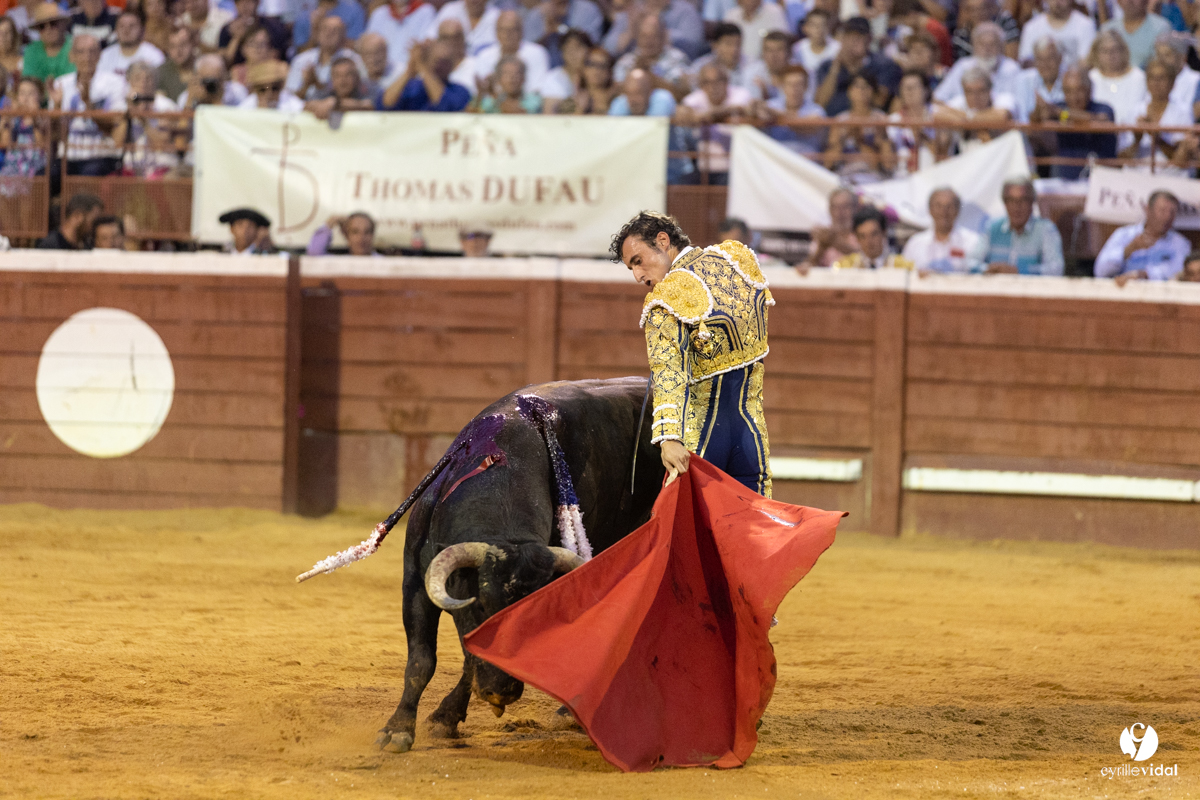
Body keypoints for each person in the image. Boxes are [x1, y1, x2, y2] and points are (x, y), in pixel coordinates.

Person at [612, 210, 774, 496]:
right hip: (752, 436)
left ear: (662, 241)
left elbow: (668, 371)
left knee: (693, 533)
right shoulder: (737, 260)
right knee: (754, 529)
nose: (638, 275)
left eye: (638, 261)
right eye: (631, 268)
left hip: (702, 441)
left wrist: (669, 438)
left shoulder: (666, 298)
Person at [49, 34, 125, 176]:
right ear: (72, 56)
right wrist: (57, 107)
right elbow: (55, 133)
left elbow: (115, 125)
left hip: (101, 154)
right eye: (81, 52)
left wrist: (89, 106)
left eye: (92, 51)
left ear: (99, 55)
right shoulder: (61, 84)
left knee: (88, 175)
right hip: (68, 155)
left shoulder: (115, 82)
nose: (87, 57)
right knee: (45, 177)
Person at [1028, 64, 1115, 180]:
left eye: (1079, 90)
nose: (1074, 97)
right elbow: (1036, 123)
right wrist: (1038, 111)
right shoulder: (1058, 107)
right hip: (1063, 182)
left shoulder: (1103, 108)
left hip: (1099, 181)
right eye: (1068, 91)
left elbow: (1101, 120)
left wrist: (1061, 113)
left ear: (1090, 90)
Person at [674, 62, 753, 184]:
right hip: (702, 167)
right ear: (701, 85)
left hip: (735, 167)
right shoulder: (694, 99)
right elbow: (682, 113)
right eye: (707, 83)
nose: (713, 87)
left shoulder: (741, 94)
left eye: (718, 81)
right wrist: (724, 112)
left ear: (727, 82)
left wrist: (707, 115)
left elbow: (742, 107)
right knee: (680, 186)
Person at [969, 177, 1064, 275]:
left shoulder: (1045, 229)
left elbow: (1056, 269)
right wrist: (988, 269)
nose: (1017, 206)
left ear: (1032, 202)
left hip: (1030, 289)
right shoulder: (992, 227)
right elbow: (970, 263)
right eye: (1011, 200)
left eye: (1023, 200)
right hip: (994, 288)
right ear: (1005, 203)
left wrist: (1019, 272)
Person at [1095, 189, 1189, 282]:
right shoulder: (1124, 235)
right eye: (1162, 211)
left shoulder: (1180, 244)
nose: (1167, 217)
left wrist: (1144, 275)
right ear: (1147, 209)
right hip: (1122, 292)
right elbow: (1100, 271)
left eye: (1172, 212)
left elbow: (1178, 273)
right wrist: (1127, 251)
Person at [814, 16, 902, 116]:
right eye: (851, 36)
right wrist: (835, 68)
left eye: (860, 37)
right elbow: (820, 103)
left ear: (869, 39)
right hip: (833, 123)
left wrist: (853, 67)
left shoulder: (883, 64)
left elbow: (879, 101)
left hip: (868, 123)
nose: (855, 41)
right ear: (843, 38)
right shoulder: (827, 66)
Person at [1117, 56, 1191, 174]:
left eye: (1162, 78)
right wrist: (1137, 140)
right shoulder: (1134, 111)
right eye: (1152, 78)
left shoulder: (1183, 112)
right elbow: (1121, 159)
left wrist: (1156, 136)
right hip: (1137, 175)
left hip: (1171, 175)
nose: (1156, 83)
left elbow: (1181, 160)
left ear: (1172, 83)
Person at [823, 71, 894, 182]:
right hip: (845, 174)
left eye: (866, 86)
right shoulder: (841, 120)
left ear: (873, 91)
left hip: (873, 175)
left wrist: (859, 141)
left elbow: (887, 164)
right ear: (849, 91)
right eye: (856, 86)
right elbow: (829, 163)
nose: (861, 90)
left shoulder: (880, 119)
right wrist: (844, 138)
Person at [934, 22, 1021, 103]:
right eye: (982, 44)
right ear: (974, 47)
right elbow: (938, 99)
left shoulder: (1012, 69)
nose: (987, 50)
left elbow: (1018, 105)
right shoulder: (963, 66)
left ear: (1001, 48)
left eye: (992, 44)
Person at [901, 187, 980, 273]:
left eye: (949, 206)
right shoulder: (915, 244)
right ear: (930, 210)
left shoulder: (972, 241)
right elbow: (904, 275)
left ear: (957, 210)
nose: (943, 211)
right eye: (938, 206)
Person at [378, 39, 471, 111]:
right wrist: (409, 71)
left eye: (444, 62)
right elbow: (386, 103)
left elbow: (444, 106)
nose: (439, 66)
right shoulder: (412, 87)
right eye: (436, 61)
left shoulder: (460, 91)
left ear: (452, 65)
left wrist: (423, 68)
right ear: (428, 60)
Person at [287, 16, 365, 101]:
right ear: (317, 34)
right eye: (325, 29)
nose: (328, 33)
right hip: (304, 109)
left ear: (344, 36)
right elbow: (290, 96)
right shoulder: (301, 60)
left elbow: (360, 92)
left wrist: (317, 84)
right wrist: (306, 85)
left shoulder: (353, 60)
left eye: (335, 30)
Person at [612, 14, 690, 97]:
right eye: (644, 36)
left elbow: (682, 96)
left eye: (654, 36)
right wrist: (635, 71)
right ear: (637, 38)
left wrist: (650, 77)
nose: (648, 41)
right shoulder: (625, 61)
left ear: (663, 37)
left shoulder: (677, 58)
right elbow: (617, 96)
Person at [474, 10, 549, 93]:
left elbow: (536, 89)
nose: (507, 35)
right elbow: (484, 90)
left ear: (521, 31)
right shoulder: (484, 56)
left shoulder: (537, 53)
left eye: (512, 30)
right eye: (503, 30)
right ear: (496, 33)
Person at [759, 64, 827, 156]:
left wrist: (776, 114)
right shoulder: (771, 105)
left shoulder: (817, 110)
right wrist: (753, 108)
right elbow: (758, 112)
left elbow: (807, 127)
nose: (794, 89)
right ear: (782, 86)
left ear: (806, 86)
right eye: (789, 84)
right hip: (775, 160)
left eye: (798, 84)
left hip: (805, 162)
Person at [1087, 28, 1146, 124]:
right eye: (1105, 51)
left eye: (1114, 50)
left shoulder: (1138, 77)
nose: (1110, 55)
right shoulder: (1091, 78)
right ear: (1096, 53)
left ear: (1123, 51)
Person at [1018, 0, 1096, 65]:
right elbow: (1025, 61)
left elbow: (1086, 63)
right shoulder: (1031, 27)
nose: (1057, 2)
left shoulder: (1086, 25)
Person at [833, 206, 914, 269]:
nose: (869, 241)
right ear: (856, 238)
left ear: (884, 233)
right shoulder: (844, 266)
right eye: (862, 236)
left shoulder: (903, 267)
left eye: (874, 234)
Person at [366, 0, 436, 69]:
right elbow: (368, 45)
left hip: (410, 71)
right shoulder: (379, 13)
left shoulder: (426, 11)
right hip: (383, 71)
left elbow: (425, 45)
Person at [1100, 0, 1171, 68]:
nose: (1130, 1)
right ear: (1118, 1)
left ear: (1146, 1)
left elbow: (1161, 65)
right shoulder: (1107, 28)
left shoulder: (1161, 27)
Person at [0, 76, 47, 177]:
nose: (25, 98)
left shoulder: (43, 118)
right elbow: (4, 143)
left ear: (40, 97)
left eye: (30, 94)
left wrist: (33, 120)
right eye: (22, 93)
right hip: (13, 170)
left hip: (34, 171)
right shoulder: (13, 120)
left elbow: (41, 145)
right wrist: (7, 122)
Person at [97, 11, 164, 81]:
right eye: (122, 26)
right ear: (116, 30)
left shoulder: (153, 55)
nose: (126, 30)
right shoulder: (106, 55)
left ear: (141, 30)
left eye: (132, 26)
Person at [687, 23, 750, 94]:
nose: (734, 49)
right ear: (715, 45)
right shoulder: (701, 66)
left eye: (738, 44)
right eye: (728, 44)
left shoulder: (750, 66)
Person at [1013, 36, 1064, 122]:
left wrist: (1057, 112)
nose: (1045, 65)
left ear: (1060, 58)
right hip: (1031, 133)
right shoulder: (1023, 80)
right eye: (1040, 59)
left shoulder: (1071, 80)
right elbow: (1022, 118)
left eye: (1050, 58)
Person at [306, 56, 375, 118]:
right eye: (337, 76)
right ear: (332, 79)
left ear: (356, 78)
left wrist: (335, 103)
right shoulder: (325, 93)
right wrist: (320, 105)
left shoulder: (366, 92)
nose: (343, 80)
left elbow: (367, 106)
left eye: (348, 75)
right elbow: (306, 105)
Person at [806, 187, 859, 266]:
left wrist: (835, 242)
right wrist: (822, 246)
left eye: (845, 207)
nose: (840, 213)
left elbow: (866, 259)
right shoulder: (824, 235)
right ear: (830, 210)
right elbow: (811, 266)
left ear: (855, 208)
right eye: (835, 207)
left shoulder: (863, 233)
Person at [426, 0, 498, 57]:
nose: (473, 1)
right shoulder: (450, 10)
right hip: (450, 66)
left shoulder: (497, 17)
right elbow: (430, 39)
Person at [22, 3, 74, 83]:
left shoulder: (75, 46)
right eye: (42, 26)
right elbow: (29, 83)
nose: (48, 30)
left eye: (53, 23)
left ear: (63, 24)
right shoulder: (31, 51)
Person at [722, 0, 788, 61]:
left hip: (765, 65)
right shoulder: (731, 15)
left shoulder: (774, 12)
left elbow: (782, 43)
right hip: (737, 65)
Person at [474, 54, 542, 111]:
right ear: (498, 79)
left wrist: (493, 93)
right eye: (507, 74)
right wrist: (480, 93)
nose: (512, 78)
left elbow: (517, 114)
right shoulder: (489, 101)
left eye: (516, 74)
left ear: (524, 78)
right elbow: (471, 117)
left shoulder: (534, 101)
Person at [37, 191, 103, 249]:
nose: (96, 226)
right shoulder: (49, 247)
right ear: (77, 216)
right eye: (93, 221)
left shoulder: (87, 245)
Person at [292, 0, 366, 51]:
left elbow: (356, 47)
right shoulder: (303, 18)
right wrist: (315, 30)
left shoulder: (354, 10)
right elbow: (302, 55)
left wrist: (334, 31)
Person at [238, 59, 305, 111]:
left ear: (281, 87)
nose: (269, 94)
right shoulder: (248, 105)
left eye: (275, 88)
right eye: (262, 90)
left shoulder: (290, 102)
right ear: (255, 90)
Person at [307, 212, 377, 255]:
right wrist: (329, 223)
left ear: (373, 235)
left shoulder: (384, 263)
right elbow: (314, 254)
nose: (361, 238)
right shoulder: (340, 263)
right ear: (346, 236)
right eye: (355, 232)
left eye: (367, 232)